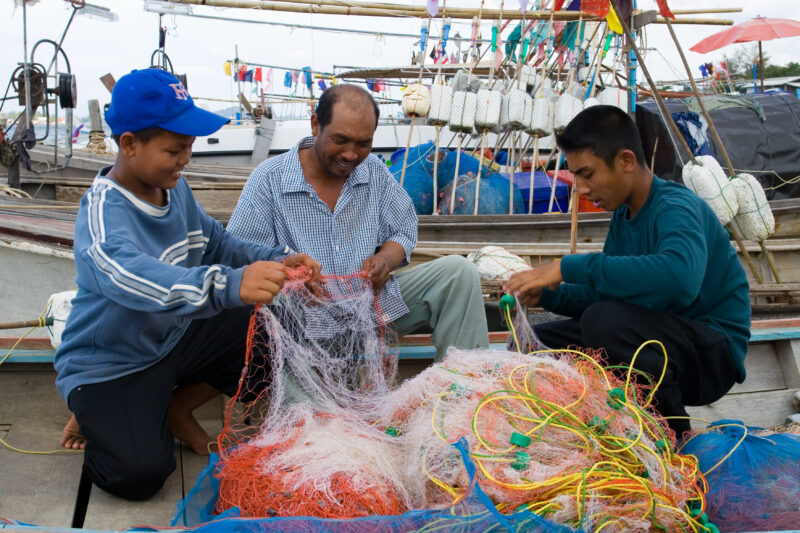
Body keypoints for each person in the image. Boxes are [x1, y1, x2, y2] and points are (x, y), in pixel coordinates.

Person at [54, 68, 320, 501]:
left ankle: (176, 406)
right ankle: (92, 412)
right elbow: (134, 279)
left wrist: (275, 260)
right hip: (114, 364)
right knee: (138, 475)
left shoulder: (173, 188)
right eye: (176, 149)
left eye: (190, 147)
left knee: (273, 325)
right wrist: (229, 285)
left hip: (173, 339)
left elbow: (217, 243)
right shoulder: (103, 212)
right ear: (129, 144)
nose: (186, 159)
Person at [504, 105, 750, 439]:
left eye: (587, 174)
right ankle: (588, 432)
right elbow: (605, 293)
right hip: (662, 336)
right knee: (541, 342)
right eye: (575, 176)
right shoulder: (624, 215)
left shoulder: (676, 207)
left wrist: (565, 267)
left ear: (626, 161)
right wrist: (548, 294)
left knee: (604, 322)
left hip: (712, 351)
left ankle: (673, 435)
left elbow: (680, 281)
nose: (580, 188)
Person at [227, 84, 489, 361]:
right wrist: (292, 278)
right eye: (340, 140)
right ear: (316, 124)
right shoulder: (269, 179)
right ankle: (308, 399)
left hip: (371, 312)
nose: (351, 154)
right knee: (272, 304)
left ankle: (463, 386)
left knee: (458, 272)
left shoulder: (373, 170)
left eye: (363, 144)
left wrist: (386, 260)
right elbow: (240, 257)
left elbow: (402, 229)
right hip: (301, 327)